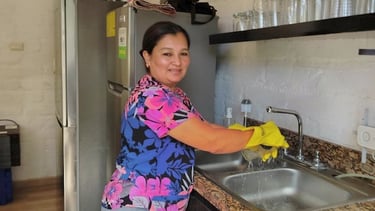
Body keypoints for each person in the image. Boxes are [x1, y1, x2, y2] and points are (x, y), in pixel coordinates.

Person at [101, 21, 288, 211]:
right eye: (167, 54)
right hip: (137, 203)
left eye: (183, 53)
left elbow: (203, 127)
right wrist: (259, 134)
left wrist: (245, 134)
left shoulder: (172, 94)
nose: (177, 62)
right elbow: (211, 141)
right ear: (147, 57)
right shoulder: (153, 98)